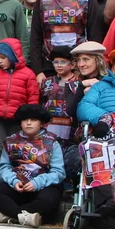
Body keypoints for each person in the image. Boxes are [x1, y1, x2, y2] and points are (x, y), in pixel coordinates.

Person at [0, 104, 65, 228]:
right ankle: (24, 217)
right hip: (18, 186)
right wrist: (14, 181)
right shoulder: (11, 141)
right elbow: (4, 167)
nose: (28, 123)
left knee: (50, 199)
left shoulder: (52, 142)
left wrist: (37, 183)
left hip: (42, 187)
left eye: (33, 120)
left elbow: (58, 172)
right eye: (25, 120)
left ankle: (10, 215)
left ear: (41, 123)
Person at [28, 0, 102, 81]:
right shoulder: (42, 0)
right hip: (49, 67)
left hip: (79, 67)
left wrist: (88, 69)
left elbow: (95, 37)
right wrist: (38, 71)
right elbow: (35, 38)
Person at [0, 38, 39, 174]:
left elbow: (33, 98)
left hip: (17, 120)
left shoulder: (28, 74)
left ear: (12, 56)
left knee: (17, 148)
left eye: (3, 57)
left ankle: (16, 176)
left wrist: (29, 118)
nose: (0, 61)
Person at [39, 46, 81, 180]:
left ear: (72, 64)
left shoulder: (79, 83)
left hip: (71, 126)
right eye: (56, 62)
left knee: (69, 153)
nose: (59, 65)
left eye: (63, 62)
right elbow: (41, 102)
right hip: (50, 125)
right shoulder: (47, 82)